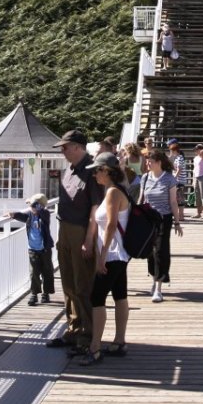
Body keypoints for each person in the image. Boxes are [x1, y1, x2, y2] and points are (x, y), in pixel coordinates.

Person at [46, 130, 101, 354]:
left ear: (78, 147)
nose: (62, 151)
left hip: (81, 231)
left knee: (83, 285)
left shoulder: (92, 171)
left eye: (65, 147)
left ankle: (87, 336)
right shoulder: (68, 170)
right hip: (65, 230)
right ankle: (73, 329)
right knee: (68, 284)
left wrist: (89, 239)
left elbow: (96, 209)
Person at [83, 152, 131, 365]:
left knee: (96, 297)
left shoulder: (112, 193)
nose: (94, 175)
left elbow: (111, 224)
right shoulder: (118, 190)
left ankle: (94, 348)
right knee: (120, 295)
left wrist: (101, 257)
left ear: (105, 171)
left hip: (112, 254)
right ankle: (119, 341)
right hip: (120, 254)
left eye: (96, 171)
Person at [140, 149, 183, 302]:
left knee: (160, 251)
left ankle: (158, 288)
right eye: (147, 161)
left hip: (164, 218)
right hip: (148, 219)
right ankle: (154, 278)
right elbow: (141, 200)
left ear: (158, 162)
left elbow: (173, 201)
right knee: (150, 252)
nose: (147, 164)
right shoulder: (145, 178)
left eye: (150, 161)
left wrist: (177, 222)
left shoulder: (169, 179)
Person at [7, 193, 55, 305]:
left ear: (40, 206)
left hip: (45, 249)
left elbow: (41, 211)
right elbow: (22, 216)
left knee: (47, 271)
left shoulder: (45, 214)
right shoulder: (30, 215)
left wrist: (33, 204)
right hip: (33, 249)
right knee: (34, 272)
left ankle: (46, 293)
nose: (31, 207)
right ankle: (34, 293)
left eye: (34, 205)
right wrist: (12, 214)